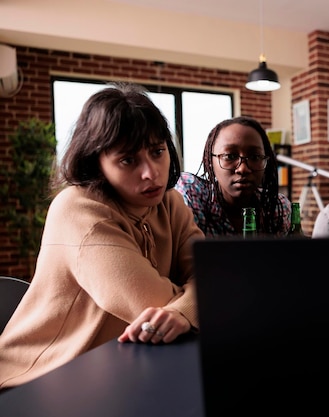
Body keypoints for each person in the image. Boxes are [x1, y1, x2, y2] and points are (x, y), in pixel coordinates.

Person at [0, 83, 204, 390]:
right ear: (96, 162)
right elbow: (150, 305)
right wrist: (190, 306)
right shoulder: (79, 210)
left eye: (157, 151)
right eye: (128, 160)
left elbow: (212, 275)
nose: (152, 173)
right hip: (38, 381)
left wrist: (183, 309)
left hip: (119, 370)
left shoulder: (170, 203)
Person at [174, 116, 290, 237]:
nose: (243, 168)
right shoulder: (192, 193)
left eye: (255, 157)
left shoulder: (277, 208)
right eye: (230, 156)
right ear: (210, 161)